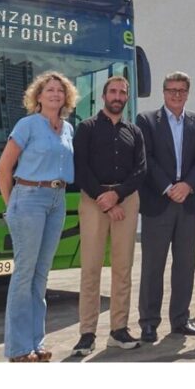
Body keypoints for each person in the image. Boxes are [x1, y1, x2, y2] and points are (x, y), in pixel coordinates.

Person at [0, 71, 78, 362]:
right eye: (49, 90)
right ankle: (19, 348)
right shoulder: (27, 124)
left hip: (57, 200)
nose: (55, 94)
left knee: (41, 275)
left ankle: (36, 343)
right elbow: (4, 168)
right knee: (24, 274)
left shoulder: (68, 129)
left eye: (60, 90)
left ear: (66, 97)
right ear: (38, 96)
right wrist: (12, 206)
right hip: (29, 197)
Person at [70, 75, 146, 355]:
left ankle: (118, 330)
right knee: (91, 268)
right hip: (93, 199)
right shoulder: (87, 128)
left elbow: (141, 169)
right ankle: (87, 333)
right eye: (113, 91)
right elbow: (80, 167)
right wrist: (104, 199)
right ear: (103, 96)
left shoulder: (134, 132)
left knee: (123, 267)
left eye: (122, 92)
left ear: (126, 97)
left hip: (126, 200)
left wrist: (118, 195)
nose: (117, 96)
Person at [136, 71, 195, 340]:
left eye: (181, 90)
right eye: (171, 90)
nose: (176, 95)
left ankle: (180, 319)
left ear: (187, 93)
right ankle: (148, 322)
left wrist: (187, 185)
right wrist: (168, 187)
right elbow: (146, 158)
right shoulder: (146, 120)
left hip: (188, 203)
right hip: (158, 202)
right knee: (153, 266)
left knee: (185, 265)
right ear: (164, 92)